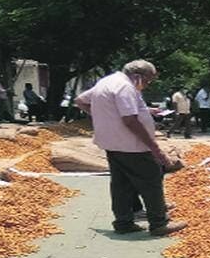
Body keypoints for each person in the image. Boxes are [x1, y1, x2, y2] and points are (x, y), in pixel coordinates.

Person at [75, 60, 184, 237]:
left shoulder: (107, 81)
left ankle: (123, 222)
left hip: (112, 143)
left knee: (121, 184)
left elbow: (81, 100)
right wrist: (154, 147)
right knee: (151, 180)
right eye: (148, 80)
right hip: (131, 145)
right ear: (137, 76)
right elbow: (130, 120)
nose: (147, 85)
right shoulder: (124, 87)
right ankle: (158, 223)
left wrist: (106, 117)